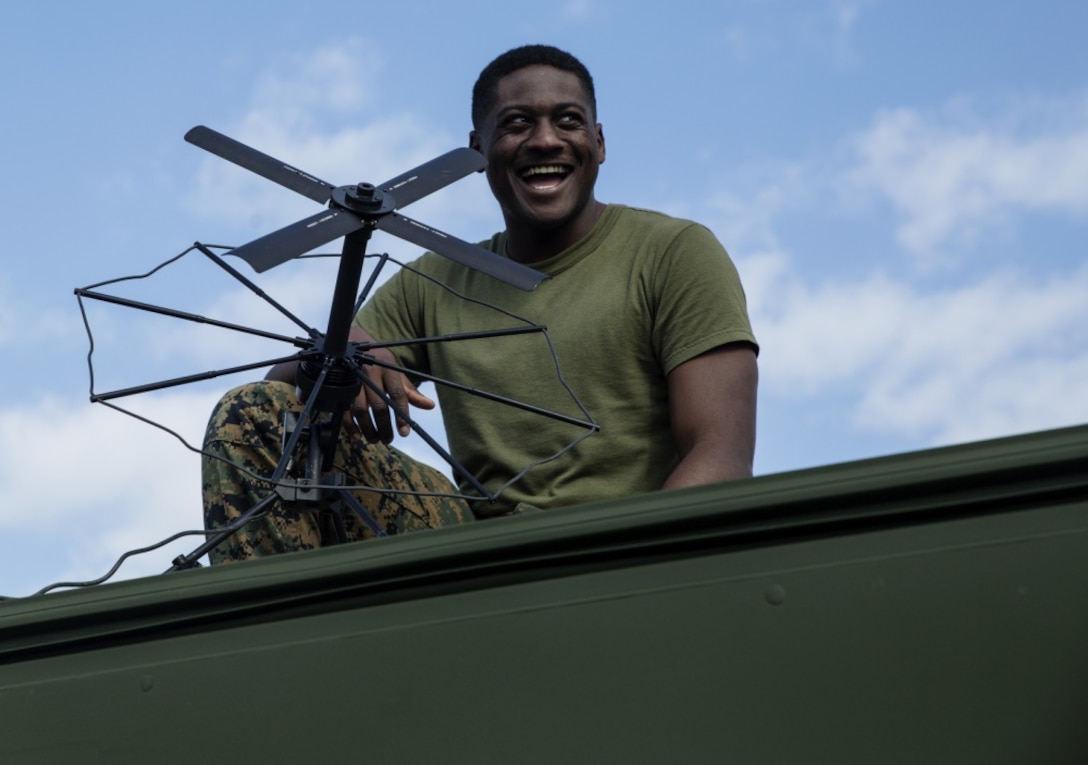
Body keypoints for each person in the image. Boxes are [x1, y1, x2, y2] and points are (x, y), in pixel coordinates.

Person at [201, 44, 758, 564]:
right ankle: (288, 649)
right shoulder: (437, 281)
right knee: (253, 412)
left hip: (620, 546)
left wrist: (630, 573)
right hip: (474, 555)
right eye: (517, 124)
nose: (545, 140)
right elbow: (280, 395)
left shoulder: (672, 252)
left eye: (568, 120)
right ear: (477, 152)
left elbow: (720, 457)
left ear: (600, 142)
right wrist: (349, 351)